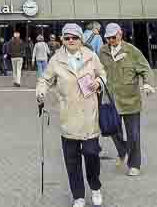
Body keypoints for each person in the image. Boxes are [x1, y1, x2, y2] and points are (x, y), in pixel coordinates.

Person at [36, 22, 107, 207]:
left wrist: (98, 83)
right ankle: (78, 196)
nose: (71, 40)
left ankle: (95, 187)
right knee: (72, 160)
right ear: (62, 40)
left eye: (74, 37)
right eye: (67, 37)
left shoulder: (91, 56)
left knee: (92, 154)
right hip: (68, 116)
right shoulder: (56, 60)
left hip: (89, 115)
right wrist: (41, 91)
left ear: (80, 39)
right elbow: (45, 79)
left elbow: (103, 74)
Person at [97, 23, 154, 177]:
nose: (111, 40)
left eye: (113, 37)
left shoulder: (132, 51)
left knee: (133, 135)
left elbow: (145, 69)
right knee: (112, 130)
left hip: (130, 100)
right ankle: (123, 151)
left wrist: (147, 84)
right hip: (110, 100)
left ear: (120, 34)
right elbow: (96, 70)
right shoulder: (102, 51)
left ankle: (134, 164)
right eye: (108, 38)